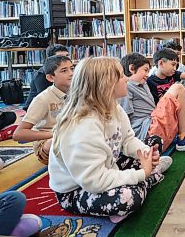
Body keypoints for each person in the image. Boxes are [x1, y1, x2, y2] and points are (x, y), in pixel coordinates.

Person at [48, 57, 172, 223]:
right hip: (76, 190)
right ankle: (149, 177)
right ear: (106, 85)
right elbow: (94, 181)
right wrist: (143, 173)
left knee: (151, 147)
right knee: (128, 197)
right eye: (121, 76)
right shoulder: (82, 127)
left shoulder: (113, 107)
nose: (126, 78)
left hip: (106, 168)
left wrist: (147, 154)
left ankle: (148, 175)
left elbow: (128, 140)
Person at [13, 55, 73, 165]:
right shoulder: (42, 99)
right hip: (48, 142)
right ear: (50, 78)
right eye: (64, 71)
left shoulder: (78, 93)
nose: (71, 73)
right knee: (60, 142)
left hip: (72, 136)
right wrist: (55, 135)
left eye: (72, 68)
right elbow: (18, 134)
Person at [24, 44, 69, 111]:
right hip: (37, 109)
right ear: (51, 60)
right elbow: (46, 99)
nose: (66, 60)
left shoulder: (69, 71)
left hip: (59, 104)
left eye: (67, 56)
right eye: (61, 57)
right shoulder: (41, 76)